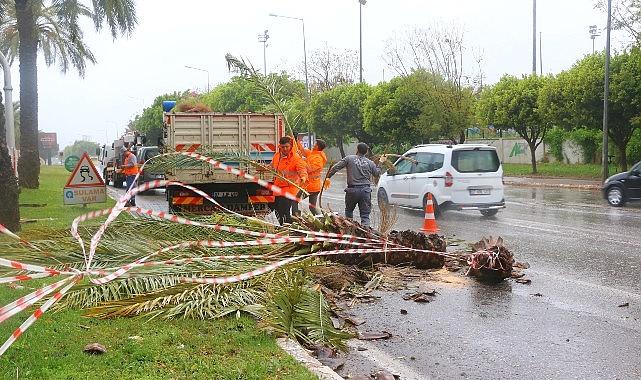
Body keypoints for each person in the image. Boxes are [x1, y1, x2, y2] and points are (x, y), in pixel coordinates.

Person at [327, 143, 386, 227]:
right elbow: (377, 173)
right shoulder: (370, 163)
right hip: (365, 192)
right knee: (365, 216)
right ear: (366, 152)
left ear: (357, 149)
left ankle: (350, 231)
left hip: (352, 191)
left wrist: (328, 177)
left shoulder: (349, 159)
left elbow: (335, 167)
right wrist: (381, 162)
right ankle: (366, 235)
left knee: (349, 212)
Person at [270, 136, 308, 225]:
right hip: (277, 189)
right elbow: (272, 166)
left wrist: (303, 177)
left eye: (287, 146)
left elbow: (302, 169)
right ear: (280, 146)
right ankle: (284, 226)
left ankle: (288, 228)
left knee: (284, 212)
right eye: (283, 147)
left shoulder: (295, 158)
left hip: (289, 189)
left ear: (290, 146)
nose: (285, 149)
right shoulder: (277, 156)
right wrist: (263, 168)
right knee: (277, 211)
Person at [295, 138, 328, 215]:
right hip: (311, 186)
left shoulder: (318, 158)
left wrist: (302, 160)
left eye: (315, 144)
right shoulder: (313, 153)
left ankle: (296, 216)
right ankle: (321, 220)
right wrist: (296, 140)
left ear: (318, 146)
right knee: (312, 207)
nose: (313, 145)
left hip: (311, 187)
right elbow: (302, 150)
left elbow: (309, 169)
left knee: (295, 200)